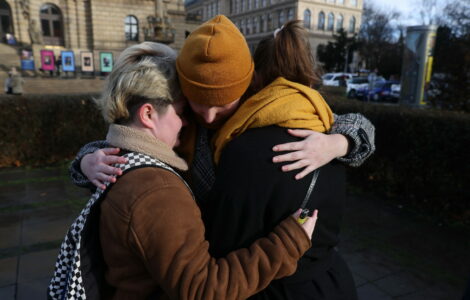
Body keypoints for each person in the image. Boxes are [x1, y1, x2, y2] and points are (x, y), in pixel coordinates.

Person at [68, 15, 374, 296]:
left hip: (243, 272)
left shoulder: (264, 111)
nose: (210, 116)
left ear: (247, 88)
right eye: (197, 104)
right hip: (203, 260)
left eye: (223, 104)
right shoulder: (182, 125)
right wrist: (86, 160)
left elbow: (359, 126)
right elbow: (131, 135)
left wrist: (337, 143)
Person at [49, 42, 318, 300]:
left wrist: (342, 141)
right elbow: (203, 289)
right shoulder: (156, 191)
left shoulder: (124, 160)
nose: (189, 122)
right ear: (147, 114)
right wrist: (288, 242)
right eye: (180, 112)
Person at [201, 20, 360, 299]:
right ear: (308, 73)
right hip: (331, 282)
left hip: (269, 289)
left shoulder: (243, 148)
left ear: (256, 77)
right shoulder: (333, 132)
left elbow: (223, 244)